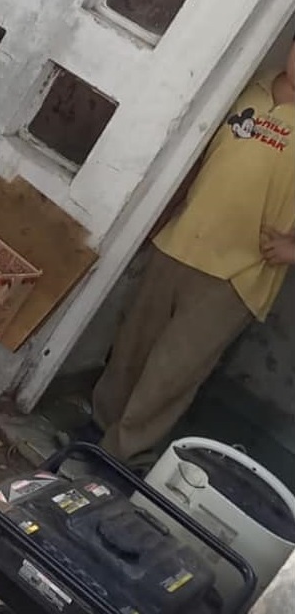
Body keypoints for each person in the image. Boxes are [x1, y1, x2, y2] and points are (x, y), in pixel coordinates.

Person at [89, 41, 295, 465]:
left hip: (239, 272)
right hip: (180, 240)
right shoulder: (251, 84)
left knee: (173, 373)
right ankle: (94, 432)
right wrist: (160, 215)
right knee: (131, 349)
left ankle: (121, 458)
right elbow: (197, 153)